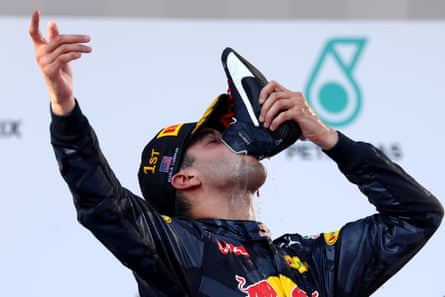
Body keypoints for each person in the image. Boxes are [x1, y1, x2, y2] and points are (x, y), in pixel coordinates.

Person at [29, 9, 443, 297]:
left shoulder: (308, 262)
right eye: (213, 139)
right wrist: (64, 107)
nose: (237, 139)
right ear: (184, 178)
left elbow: (417, 215)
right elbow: (103, 204)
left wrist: (329, 138)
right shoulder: (181, 251)